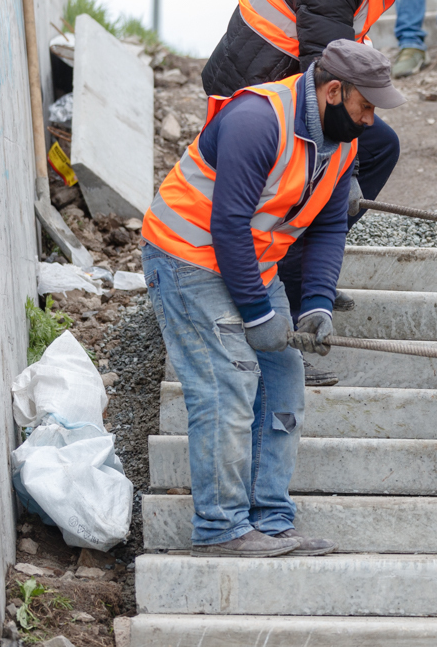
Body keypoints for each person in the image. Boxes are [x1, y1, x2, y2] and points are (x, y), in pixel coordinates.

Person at [142, 40, 406, 557]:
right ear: (333, 91)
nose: (372, 120)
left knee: (284, 382)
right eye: (366, 105)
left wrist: (317, 304)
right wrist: (260, 313)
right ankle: (220, 527)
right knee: (229, 383)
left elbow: (330, 226)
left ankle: (271, 518)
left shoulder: (343, 140)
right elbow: (228, 224)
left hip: (251, 261)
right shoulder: (257, 119)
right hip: (186, 255)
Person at [201, 0, 437, 384]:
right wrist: (337, 167)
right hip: (257, 89)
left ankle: (308, 282)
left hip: (290, 77)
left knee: (375, 150)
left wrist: (343, 168)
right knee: (294, 193)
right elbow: (326, 75)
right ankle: (277, 319)